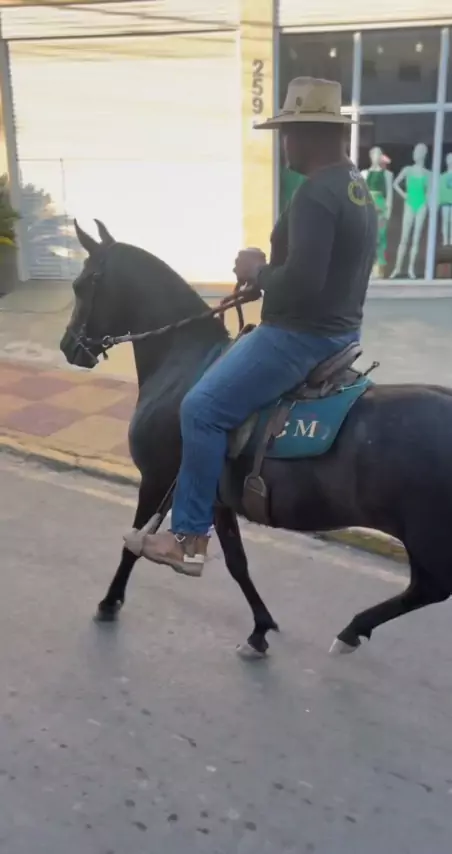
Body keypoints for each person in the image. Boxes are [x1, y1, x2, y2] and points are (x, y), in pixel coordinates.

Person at [124, 76, 378, 577]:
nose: (284, 144)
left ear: (309, 135)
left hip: (298, 336)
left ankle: (188, 539)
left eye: (287, 133)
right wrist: (269, 269)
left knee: (200, 407)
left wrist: (256, 271)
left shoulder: (315, 194)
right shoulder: (355, 188)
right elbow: (322, 272)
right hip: (340, 331)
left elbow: (301, 286)